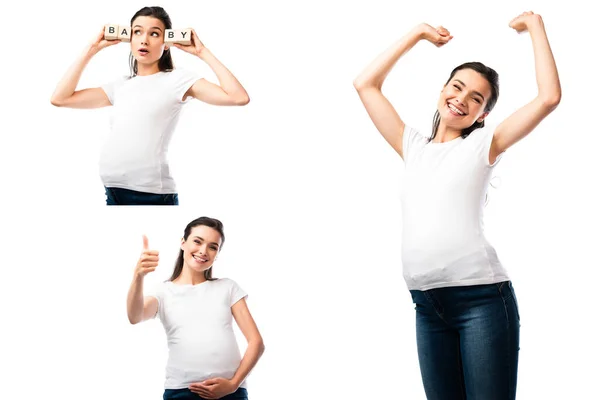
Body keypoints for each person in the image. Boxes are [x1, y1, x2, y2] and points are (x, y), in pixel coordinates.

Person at [353, 11, 560, 400]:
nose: (461, 99)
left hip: (481, 300)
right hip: (426, 306)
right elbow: (365, 84)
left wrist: (534, 26)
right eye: (457, 87)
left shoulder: (485, 144)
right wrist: (415, 33)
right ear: (442, 89)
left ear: (483, 114)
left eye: (476, 98)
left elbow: (549, 98)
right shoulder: (412, 146)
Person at [50, 6, 249, 205]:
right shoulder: (120, 85)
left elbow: (238, 97)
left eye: (154, 34)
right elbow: (60, 98)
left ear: (167, 42)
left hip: (150, 194)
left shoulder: (178, 80)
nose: (144, 40)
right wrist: (91, 49)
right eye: (137, 32)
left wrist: (202, 52)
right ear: (129, 38)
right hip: (113, 191)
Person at [126, 217, 264, 400]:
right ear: (183, 243)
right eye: (197, 241)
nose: (203, 251)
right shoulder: (163, 291)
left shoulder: (228, 287)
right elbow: (135, 316)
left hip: (231, 392)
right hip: (181, 392)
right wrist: (138, 277)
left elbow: (256, 342)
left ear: (217, 254)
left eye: (213, 247)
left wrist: (232, 384)